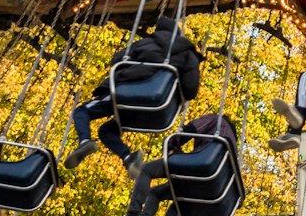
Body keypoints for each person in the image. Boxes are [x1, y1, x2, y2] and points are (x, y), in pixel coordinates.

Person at [67, 15, 205, 173]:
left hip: (129, 92)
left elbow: (116, 60)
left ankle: (84, 141)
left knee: (82, 111)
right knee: (106, 131)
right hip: (159, 106)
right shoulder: (189, 54)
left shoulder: (145, 43)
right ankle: (128, 158)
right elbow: (190, 89)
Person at [108, 110, 239, 216]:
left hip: (201, 163)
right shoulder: (232, 148)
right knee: (179, 197)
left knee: (146, 170)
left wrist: (172, 145)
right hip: (212, 184)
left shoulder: (215, 120)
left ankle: (134, 214)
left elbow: (189, 130)